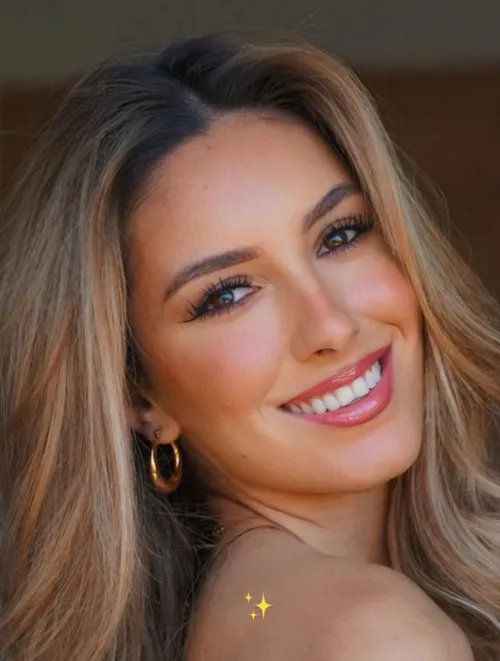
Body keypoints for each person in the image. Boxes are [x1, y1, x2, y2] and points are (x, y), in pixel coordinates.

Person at [0, 32, 499, 661]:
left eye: (339, 235)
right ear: (138, 396)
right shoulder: (372, 634)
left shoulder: (242, 612)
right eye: (228, 294)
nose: (331, 326)